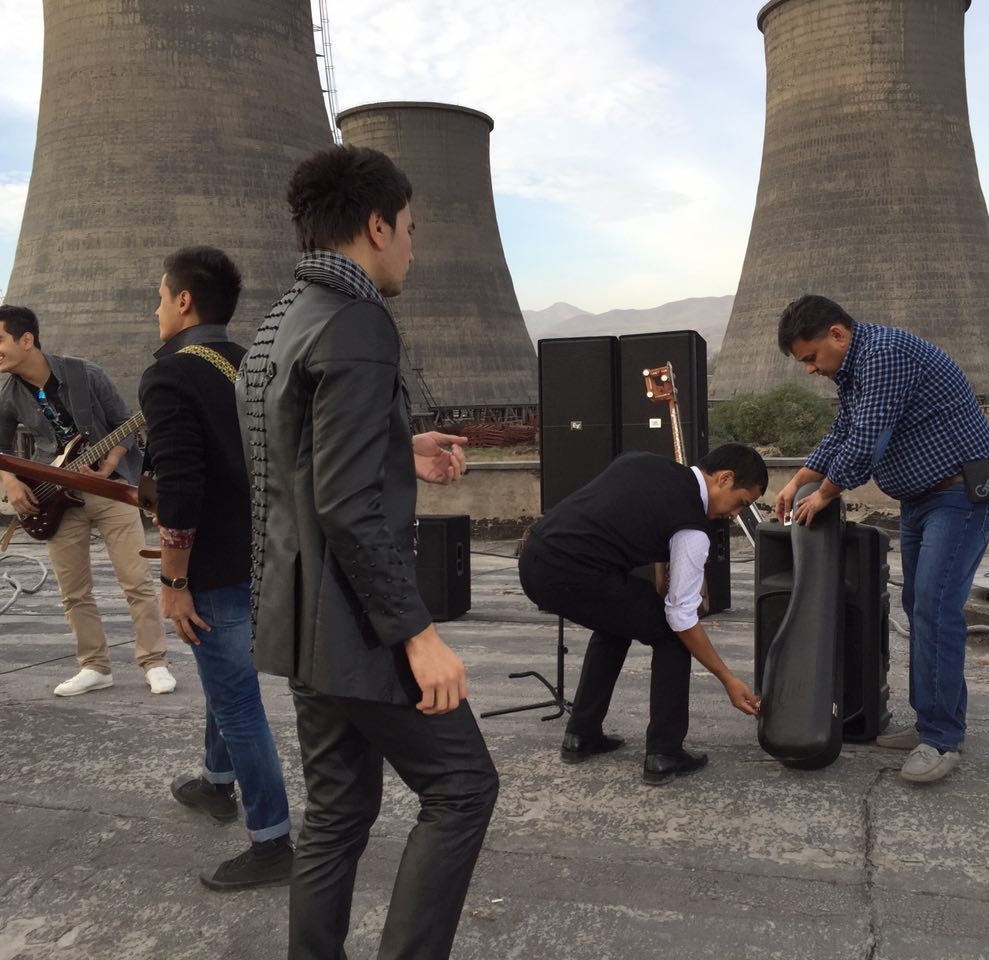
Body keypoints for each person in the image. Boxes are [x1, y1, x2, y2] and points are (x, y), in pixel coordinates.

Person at [236, 144, 498, 960]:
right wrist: (418, 635)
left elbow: (293, 461)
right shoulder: (358, 321)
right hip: (355, 627)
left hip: (297, 621)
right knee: (463, 787)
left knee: (338, 813)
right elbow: (346, 505)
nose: (413, 249)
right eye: (411, 229)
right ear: (377, 226)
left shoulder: (283, 320)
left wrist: (397, 445)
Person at [773, 294, 989, 784]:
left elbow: (866, 440)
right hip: (923, 499)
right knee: (920, 607)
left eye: (812, 357)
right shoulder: (854, 368)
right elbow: (844, 430)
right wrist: (798, 481)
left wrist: (825, 494)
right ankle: (936, 724)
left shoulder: (884, 355)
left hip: (961, 495)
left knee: (935, 610)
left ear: (837, 334)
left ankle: (940, 740)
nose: (811, 370)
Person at [138, 246, 293, 890]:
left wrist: (174, 582)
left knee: (237, 701)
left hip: (216, 568)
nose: (155, 310)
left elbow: (180, 487)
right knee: (226, 678)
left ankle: (273, 840)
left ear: (183, 301)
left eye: (160, 297)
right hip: (267, 558)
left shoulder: (171, 375)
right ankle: (215, 781)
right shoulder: (252, 363)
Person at [519, 444, 766, 786]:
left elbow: (640, 511)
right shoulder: (693, 529)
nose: (734, 515)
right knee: (673, 636)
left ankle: (582, 734)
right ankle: (664, 753)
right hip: (575, 572)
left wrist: (662, 572)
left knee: (616, 623)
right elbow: (682, 617)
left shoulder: (644, 462)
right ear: (724, 479)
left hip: (533, 559)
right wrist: (728, 678)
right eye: (740, 503)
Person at [0, 306, 175, 697]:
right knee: (74, 591)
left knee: (136, 581)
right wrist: (13, 483)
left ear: (26, 340)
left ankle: (154, 662)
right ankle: (94, 667)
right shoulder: (7, 397)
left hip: (111, 489)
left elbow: (124, 424)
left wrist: (111, 463)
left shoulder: (85, 373)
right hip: (54, 497)